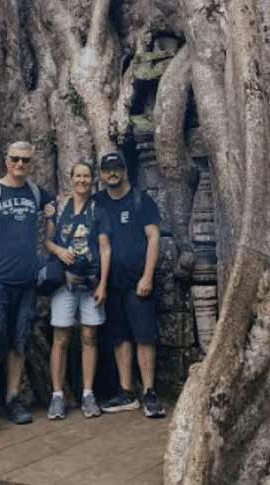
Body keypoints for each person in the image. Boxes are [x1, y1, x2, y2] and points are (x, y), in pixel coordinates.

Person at [0, 141, 55, 439]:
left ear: (31, 164)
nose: (20, 165)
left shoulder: (34, 192)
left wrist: (53, 218)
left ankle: (13, 397)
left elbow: (56, 204)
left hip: (26, 282)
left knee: (19, 341)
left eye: (25, 161)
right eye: (15, 159)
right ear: (6, 160)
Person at [93, 151, 166, 418]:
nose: (112, 174)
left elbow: (154, 238)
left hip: (138, 282)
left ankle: (149, 391)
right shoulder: (98, 202)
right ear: (101, 174)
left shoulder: (140, 200)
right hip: (110, 284)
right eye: (107, 170)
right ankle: (126, 391)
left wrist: (147, 276)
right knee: (119, 337)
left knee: (144, 336)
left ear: (124, 171)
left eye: (117, 169)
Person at [45, 161, 112, 420]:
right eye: (77, 176)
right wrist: (59, 250)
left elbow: (105, 248)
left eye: (86, 176)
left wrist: (104, 284)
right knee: (60, 338)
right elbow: (48, 241)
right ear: (70, 178)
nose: (81, 180)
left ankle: (87, 393)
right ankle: (57, 395)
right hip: (63, 282)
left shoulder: (98, 210)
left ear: (92, 180)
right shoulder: (59, 206)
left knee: (89, 337)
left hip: (91, 281)